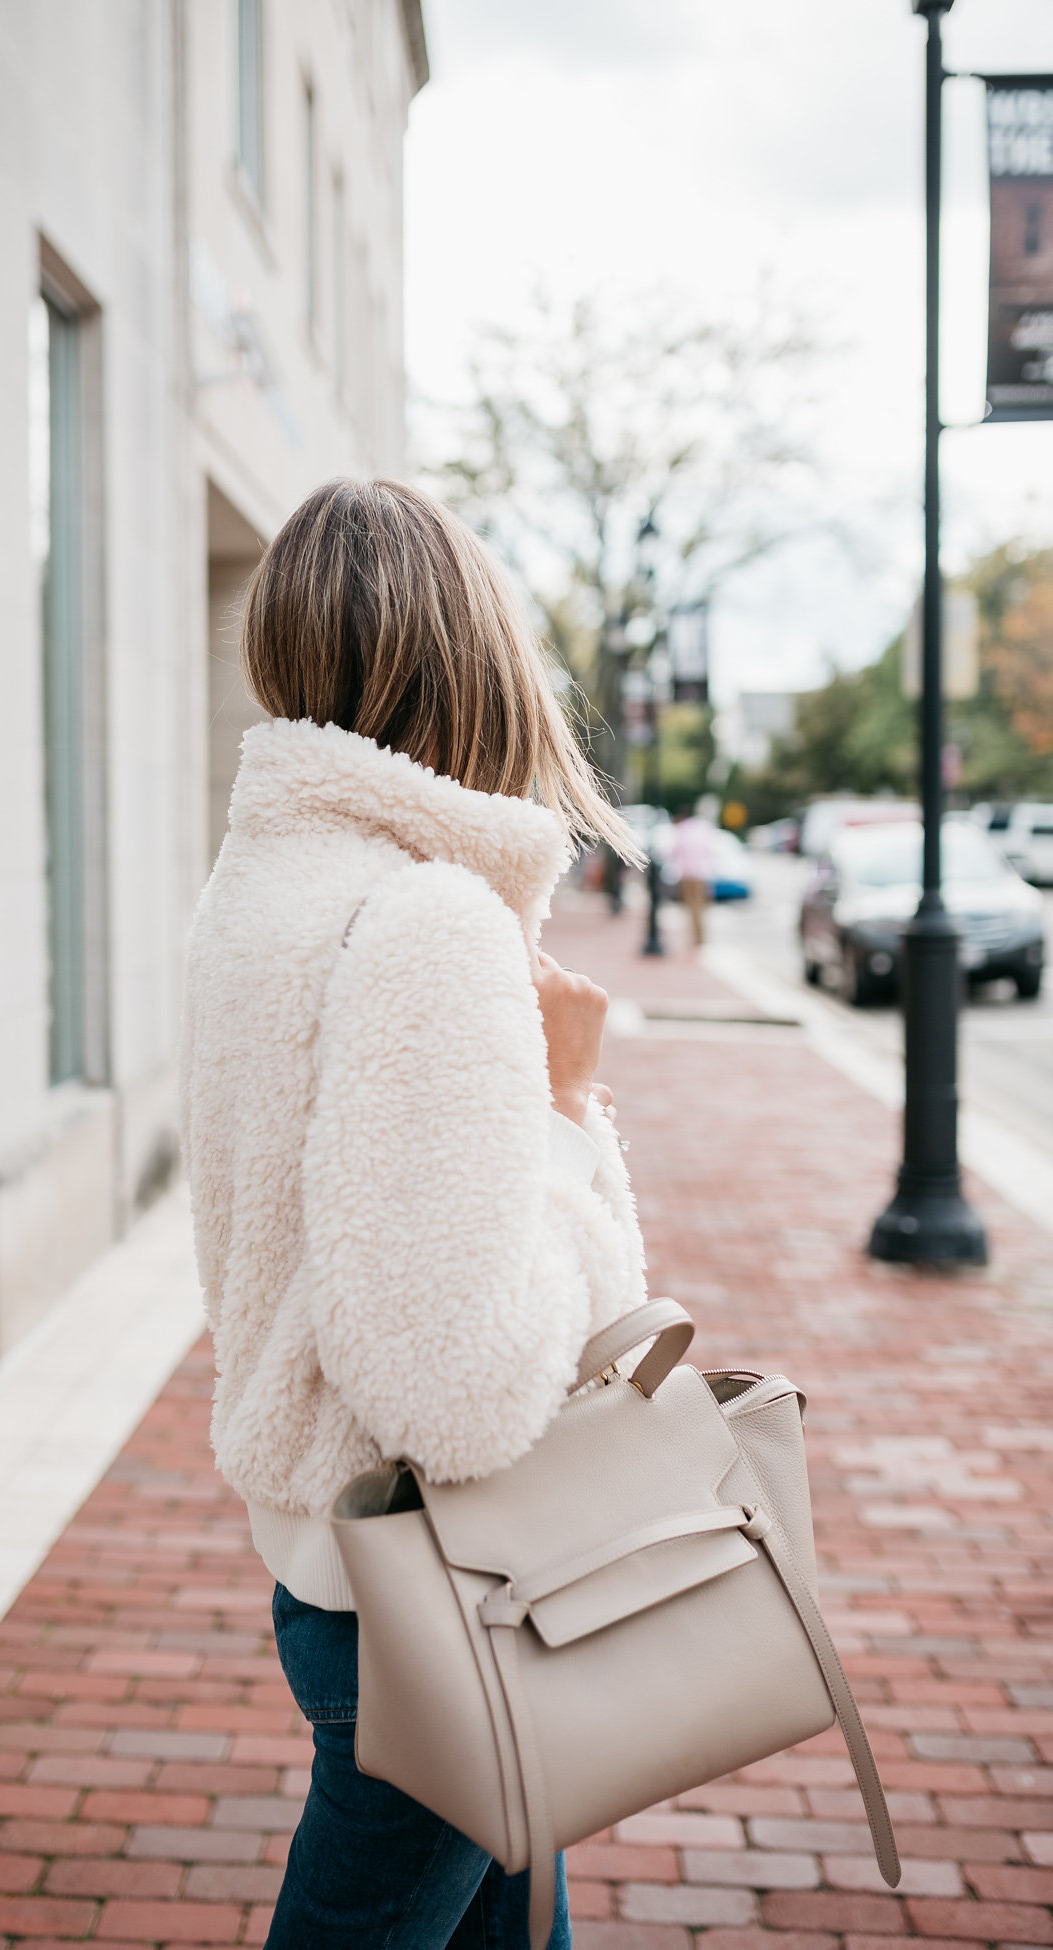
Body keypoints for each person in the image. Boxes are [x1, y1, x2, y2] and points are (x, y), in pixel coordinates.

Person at [181, 479, 649, 1949]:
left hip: (351, 1572)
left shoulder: (257, 887)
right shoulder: (426, 919)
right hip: (439, 1596)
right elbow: (455, 1384)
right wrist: (571, 1117)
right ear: (475, 661)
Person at [666, 802, 718, 949]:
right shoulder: (702, 829)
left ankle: (697, 937)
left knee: (692, 906)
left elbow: (675, 851)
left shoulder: (683, 830)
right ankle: (700, 937)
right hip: (701, 873)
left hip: (688, 874)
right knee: (701, 906)